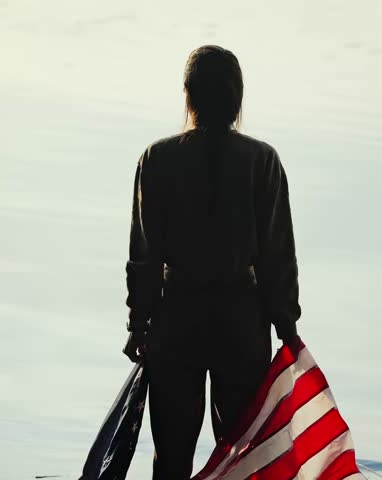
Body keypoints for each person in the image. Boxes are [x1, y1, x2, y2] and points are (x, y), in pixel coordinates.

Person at [121, 45, 302, 480]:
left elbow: (144, 257)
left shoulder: (157, 160)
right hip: (241, 322)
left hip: (176, 318)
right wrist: (287, 326)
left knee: (172, 454)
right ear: (238, 100)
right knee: (242, 454)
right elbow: (279, 255)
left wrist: (139, 324)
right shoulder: (263, 161)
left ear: (188, 95)